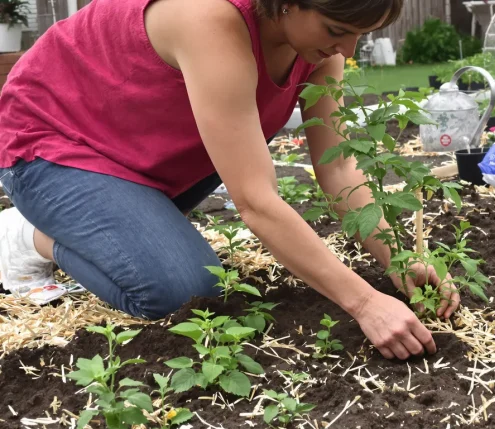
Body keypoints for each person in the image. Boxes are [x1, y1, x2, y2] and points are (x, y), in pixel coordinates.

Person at [0, 0, 461, 361]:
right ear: (286, 3)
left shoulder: (319, 48)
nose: (349, 50)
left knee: (188, 281)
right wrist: (364, 304)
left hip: (144, 153)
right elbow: (256, 201)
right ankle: (29, 237)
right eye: (337, 30)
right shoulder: (209, 18)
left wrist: (400, 260)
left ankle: (107, 216)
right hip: (50, 144)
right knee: (183, 293)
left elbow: (338, 169)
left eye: (361, 34)